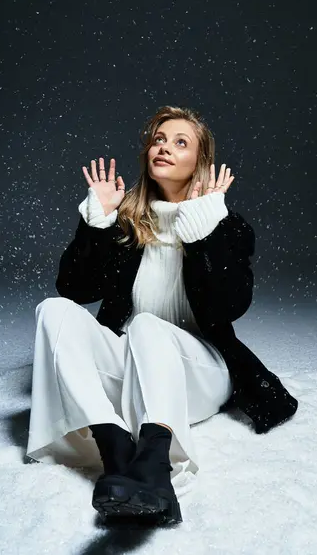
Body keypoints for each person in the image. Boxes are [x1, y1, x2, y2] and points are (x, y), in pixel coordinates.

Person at [26, 105, 298, 526]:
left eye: (180, 142)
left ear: (200, 163)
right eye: (158, 139)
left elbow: (229, 307)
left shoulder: (227, 225)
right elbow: (74, 290)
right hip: (135, 365)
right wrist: (96, 224)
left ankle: (154, 462)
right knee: (53, 311)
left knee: (148, 325)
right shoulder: (127, 224)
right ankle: (115, 450)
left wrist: (205, 233)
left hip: (202, 373)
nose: (164, 147)